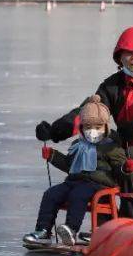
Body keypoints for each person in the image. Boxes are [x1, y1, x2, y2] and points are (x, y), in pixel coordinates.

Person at [36, 26, 133, 219]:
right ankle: (104, 226)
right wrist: (54, 131)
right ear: (120, 57)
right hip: (128, 149)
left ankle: (129, 222)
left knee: (128, 157)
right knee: (98, 154)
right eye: (128, 52)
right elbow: (89, 113)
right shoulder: (113, 84)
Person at [23, 97, 125, 247]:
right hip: (74, 181)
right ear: (82, 127)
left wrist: (126, 168)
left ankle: (71, 229)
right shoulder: (78, 144)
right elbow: (69, 165)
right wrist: (52, 156)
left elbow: (120, 165)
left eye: (98, 127)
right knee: (51, 194)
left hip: (99, 185)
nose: (93, 131)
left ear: (106, 126)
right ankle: (43, 231)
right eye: (88, 126)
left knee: (78, 194)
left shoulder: (111, 146)